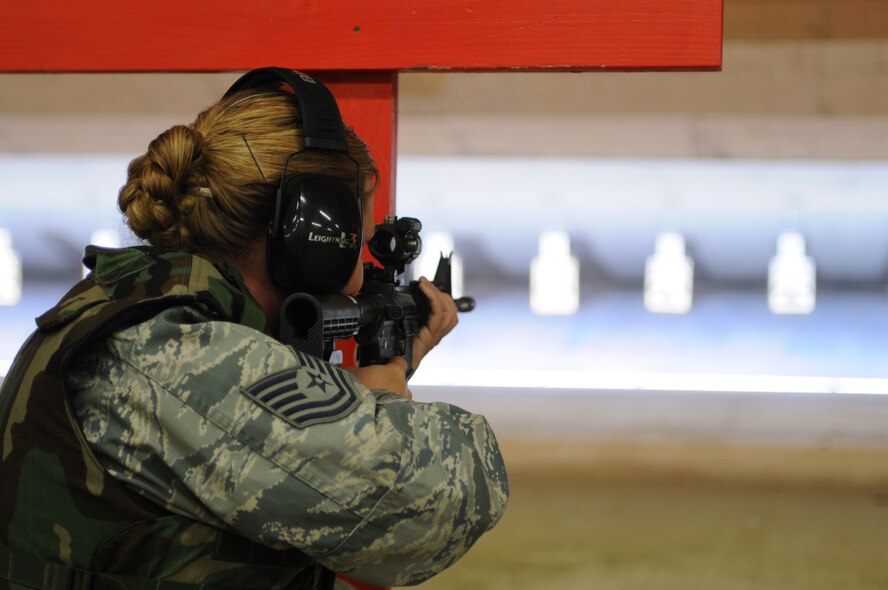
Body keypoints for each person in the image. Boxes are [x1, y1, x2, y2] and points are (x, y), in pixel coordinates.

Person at [0, 67, 509, 590]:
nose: (361, 273)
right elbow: (432, 503)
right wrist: (381, 398)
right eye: (356, 243)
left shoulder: (142, 310)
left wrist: (361, 385)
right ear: (313, 238)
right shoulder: (170, 353)